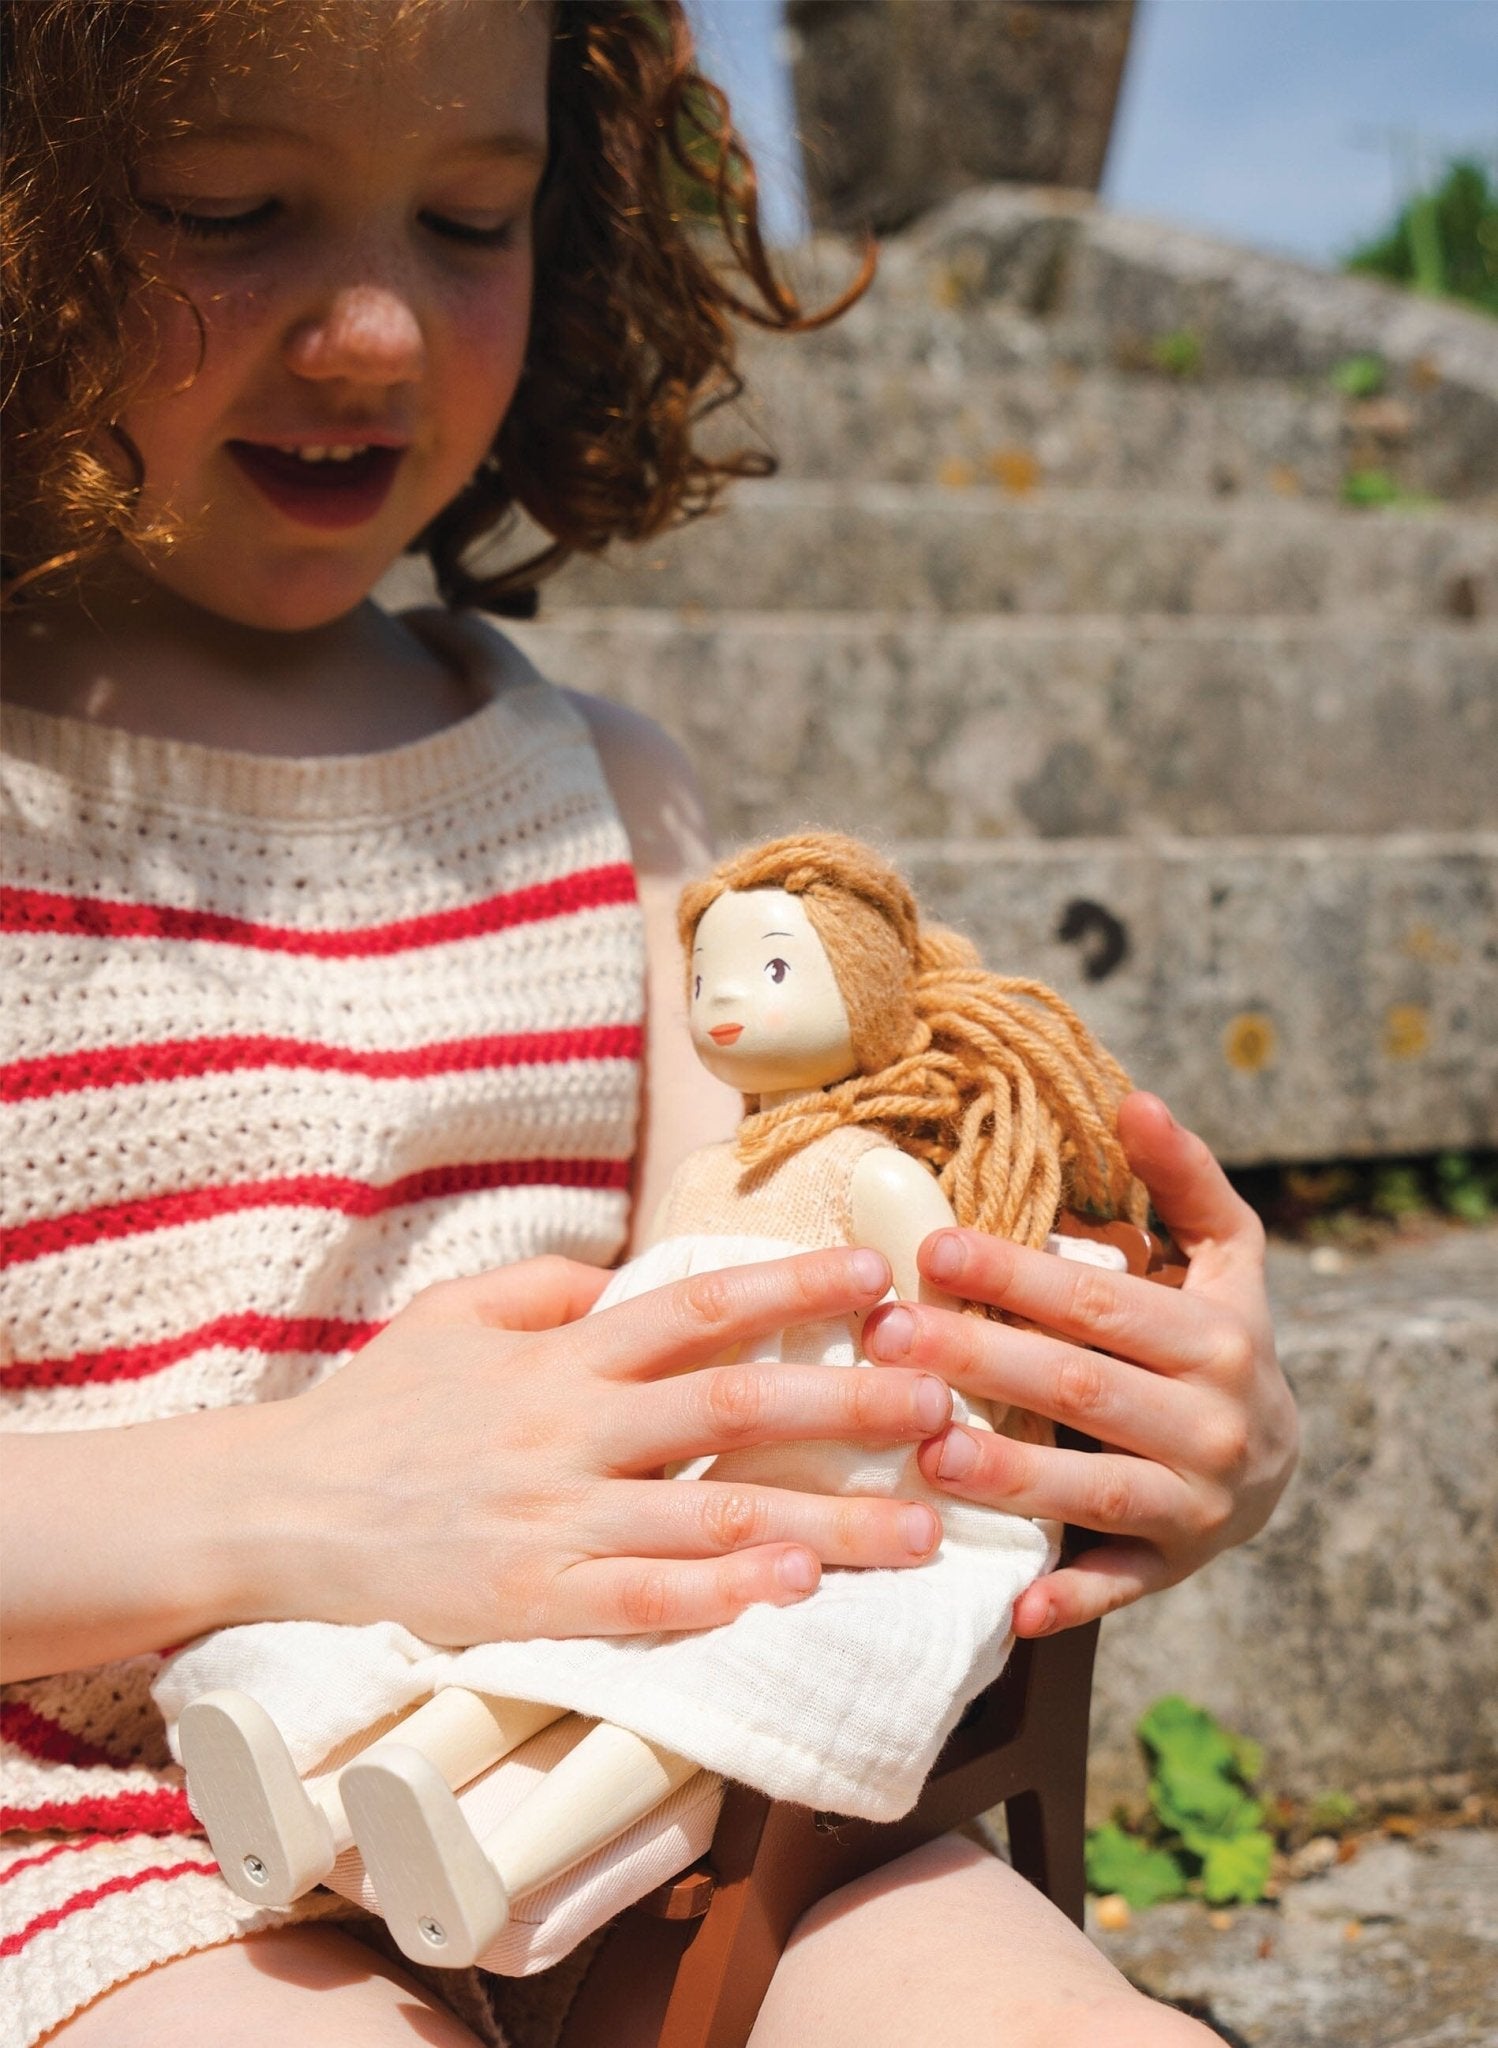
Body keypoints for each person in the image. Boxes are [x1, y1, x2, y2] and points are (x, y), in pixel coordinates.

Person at [0, 4, 1299, 2045]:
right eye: (224, 208)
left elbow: (762, 1280)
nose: (376, 330)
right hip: (85, 1844)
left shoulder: (601, 786)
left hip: (638, 1786)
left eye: (471, 217)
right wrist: (296, 1495)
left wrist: (1123, 1413)